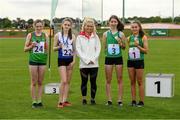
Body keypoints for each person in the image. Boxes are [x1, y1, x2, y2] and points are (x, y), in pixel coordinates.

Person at [24, 19, 49, 108]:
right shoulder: (30, 35)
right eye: (37, 26)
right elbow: (25, 49)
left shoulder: (45, 35)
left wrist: (46, 49)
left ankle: (39, 101)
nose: (38, 28)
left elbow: (47, 49)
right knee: (34, 82)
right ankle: (34, 101)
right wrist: (31, 46)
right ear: (34, 26)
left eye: (40, 26)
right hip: (33, 61)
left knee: (40, 82)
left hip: (42, 61)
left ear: (42, 26)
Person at [76, 18, 101, 105]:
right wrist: (86, 60)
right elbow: (78, 51)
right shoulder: (79, 37)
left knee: (93, 82)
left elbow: (98, 49)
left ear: (93, 27)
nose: (89, 28)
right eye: (88, 26)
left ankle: (93, 99)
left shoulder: (96, 36)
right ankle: (84, 98)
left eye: (91, 26)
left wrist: (93, 59)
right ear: (84, 26)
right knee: (84, 82)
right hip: (83, 64)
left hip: (94, 64)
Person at [102, 15, 126, 106]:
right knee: (108, 79)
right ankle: (109, 100)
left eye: (115, 21)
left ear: (117, 23)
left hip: (118, 58)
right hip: (109, 58)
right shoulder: (105, 34)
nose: (113, 23)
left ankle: (120, 100)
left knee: (119, 79)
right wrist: (108, 52)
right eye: (111, 21)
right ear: (109, 22)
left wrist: (120, 43)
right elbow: (104, 47)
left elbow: (124, 47)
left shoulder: (121, 34)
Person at [53, 18, 76, 108]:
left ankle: (65, 100)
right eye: (65, 24)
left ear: (70, 26)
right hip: (61, 59)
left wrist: (74, 60)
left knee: (68, 81)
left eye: (68, 25)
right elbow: (53, 48)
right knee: (64, 80)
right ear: (62, 25)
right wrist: (59, 46)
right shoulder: (57, 35)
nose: (66, 26)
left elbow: (74, 50)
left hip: (70, 60)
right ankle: (60, 101)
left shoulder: (73, 36)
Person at [127, 21, 148, 107]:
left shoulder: (143, 37)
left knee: (139, 81)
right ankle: (133, 101)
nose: (134, 28)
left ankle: (141, 101)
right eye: (133, 27)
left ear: (139, 28)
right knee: (132, 82)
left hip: (139, 61)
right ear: (131, 28)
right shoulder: (128, 38)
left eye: (136, 27)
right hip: (130, 61)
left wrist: (138, 46)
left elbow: (146, 51)